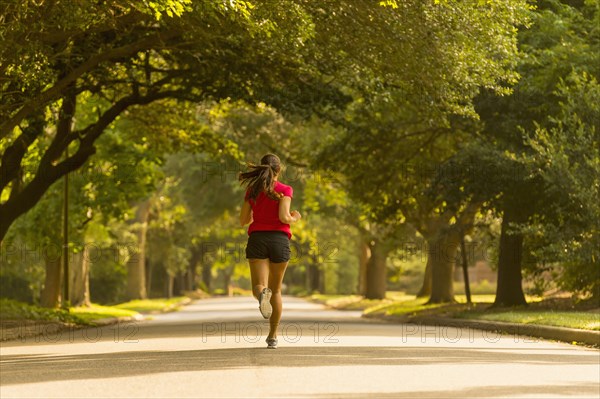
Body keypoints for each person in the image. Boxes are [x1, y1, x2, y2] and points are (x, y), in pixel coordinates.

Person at [238, 154, 301, 349]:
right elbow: (283, 218)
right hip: (279, 241)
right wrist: (295, 217)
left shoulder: (252, 190)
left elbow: (243, 220)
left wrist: (258, 215)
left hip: (257, 239)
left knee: (259, 286)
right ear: (279, 170)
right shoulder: (285, 189)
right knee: (277, 291)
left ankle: (261, 295)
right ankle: (273, 336)